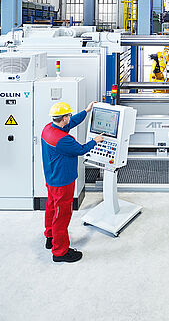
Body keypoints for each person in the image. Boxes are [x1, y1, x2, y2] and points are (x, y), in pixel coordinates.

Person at [41, 101, 104, 263]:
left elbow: (72, 122)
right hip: (63, 181)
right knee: (62, 215)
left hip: (51, 178)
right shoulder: (64, 140)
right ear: (64, 119)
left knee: (52, 207)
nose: (70, 117)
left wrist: (86, 111)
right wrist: (96, 140)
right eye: (69, 115)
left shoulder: (49, 129)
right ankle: (60, 251)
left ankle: (50, 236)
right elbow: (81, 149)